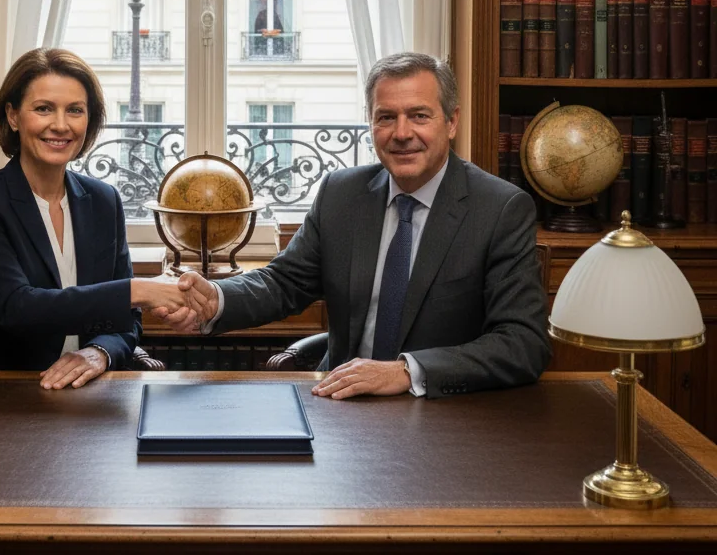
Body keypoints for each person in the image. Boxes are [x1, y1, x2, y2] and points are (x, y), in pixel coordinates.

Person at [156, 52, 551, 400]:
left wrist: (405, 371)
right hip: (341, 405)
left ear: (451, 122)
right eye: (386, 117)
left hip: (443, 413)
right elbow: (284, 283)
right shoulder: (342, 194)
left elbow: (522, 343)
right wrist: (216, 298)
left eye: (419, 116)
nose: (401, 133)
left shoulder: (499, 209)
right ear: (370, 123)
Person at [0, 48, 186, 388]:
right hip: (1, 393)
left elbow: (127, 322)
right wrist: (137, 290)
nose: (60, 125)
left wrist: (99, 353)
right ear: (13, 116)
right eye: (43, 108)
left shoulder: (104, 200)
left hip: (89, 393)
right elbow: (17, 308)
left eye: (75, 110)